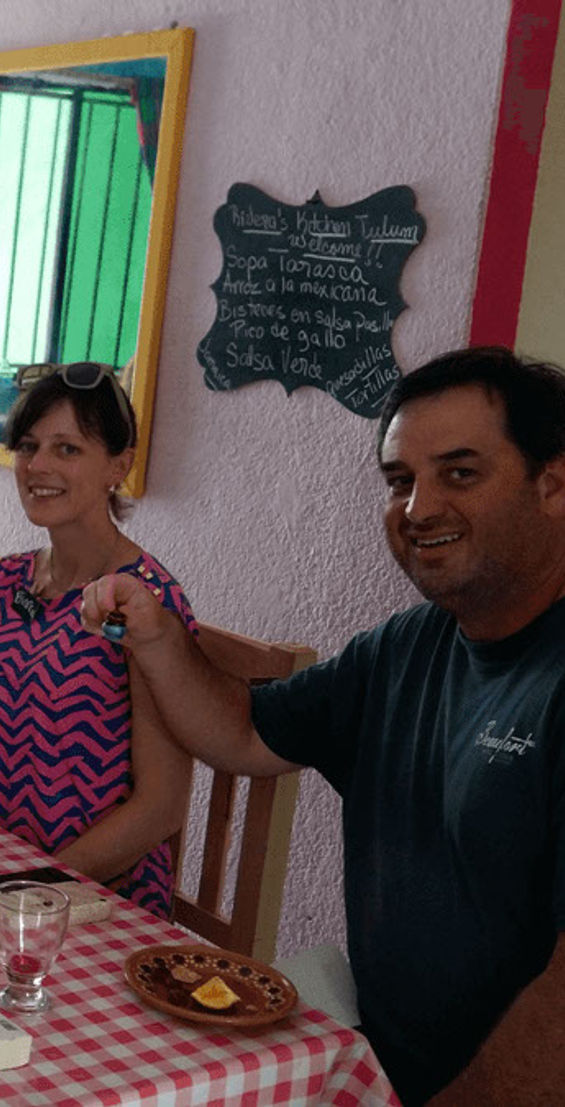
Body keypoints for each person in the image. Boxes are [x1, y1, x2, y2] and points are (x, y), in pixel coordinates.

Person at [81, 347, 565, 1104]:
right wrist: (156, 638)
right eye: (400, 480)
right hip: (369, 1067)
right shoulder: (408, 644)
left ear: (553, 483)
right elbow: (241, 735)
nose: (418, 508)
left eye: (459, 473)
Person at [0, 362, 194, 918]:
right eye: (27, 446)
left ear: (118, 465)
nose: (38, 466)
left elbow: (161, 807)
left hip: (102, 904)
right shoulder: (4, 581)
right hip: (5, 877)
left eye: (67, 449)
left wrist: (34, 886)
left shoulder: (146, 604)